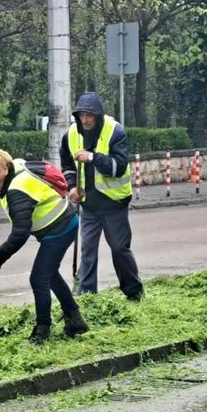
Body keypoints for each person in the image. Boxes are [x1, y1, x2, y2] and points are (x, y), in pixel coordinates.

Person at [0, 148, 89, 344]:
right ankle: (75, 319)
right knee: (50, 275)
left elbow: (20, 234)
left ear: (5, 170)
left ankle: (42, 331)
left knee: (38, 279)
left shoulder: (17, 191)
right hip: (62, 223)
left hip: (59, 229)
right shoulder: (17, 166)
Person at [60, 92, 144, 301]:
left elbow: (118, 166)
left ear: (98, 115)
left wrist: (91, 157)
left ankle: (134, 292)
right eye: (82, 115)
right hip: (89, 204)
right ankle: (87, 296)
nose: (85, 119)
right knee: (88, 250)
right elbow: (67, 164)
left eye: (89, 115)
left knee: (119, 249)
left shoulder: (115, 132)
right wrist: (71, 188)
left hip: (114, 203)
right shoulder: (71, 134)